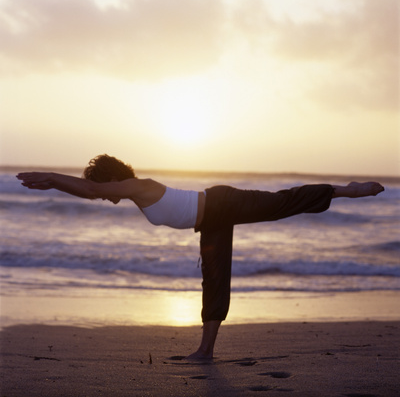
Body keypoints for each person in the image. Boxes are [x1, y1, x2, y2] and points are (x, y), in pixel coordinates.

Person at [17, 154, 385, 359]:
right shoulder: (134, 193)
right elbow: (95, 190)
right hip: (212, 219)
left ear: (114, 178)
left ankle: (346, 190)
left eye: (106, 186)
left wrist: (52, 177)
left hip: (222, 202)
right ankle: (205, 350)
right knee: (214, 278)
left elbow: (92, 189)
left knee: (280, 203)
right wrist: (55, 181)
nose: (107, 196)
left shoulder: (136, 186)